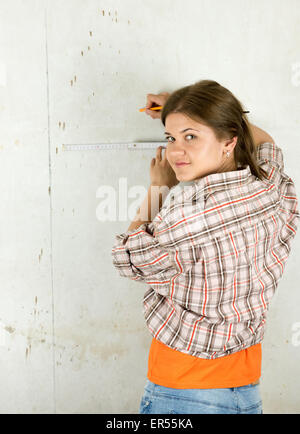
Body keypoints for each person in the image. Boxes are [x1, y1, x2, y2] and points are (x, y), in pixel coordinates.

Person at [111, 80, 300, 414]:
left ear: (229, 142)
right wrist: (187, 110)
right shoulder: (269, 187)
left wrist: (158, 188)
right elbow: (266, 142)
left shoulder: (186, 217)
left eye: (191, 137)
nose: (175, 151)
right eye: (171, 137)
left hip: (184, 392)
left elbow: (127, 259)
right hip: (246, 392)